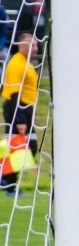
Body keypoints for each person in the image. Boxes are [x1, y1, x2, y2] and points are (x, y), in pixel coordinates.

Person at [1, 33, 39, 196]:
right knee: (20, 147)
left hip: (25, 110)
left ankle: (5, 179)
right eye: (33, 45)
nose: (36, 48)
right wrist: (20, 119)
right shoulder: (17, 64)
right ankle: (9, 185)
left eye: (36, 45)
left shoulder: (25, 63)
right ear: (22, 46)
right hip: (17, 109)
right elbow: (15, 94)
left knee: (27, 146)